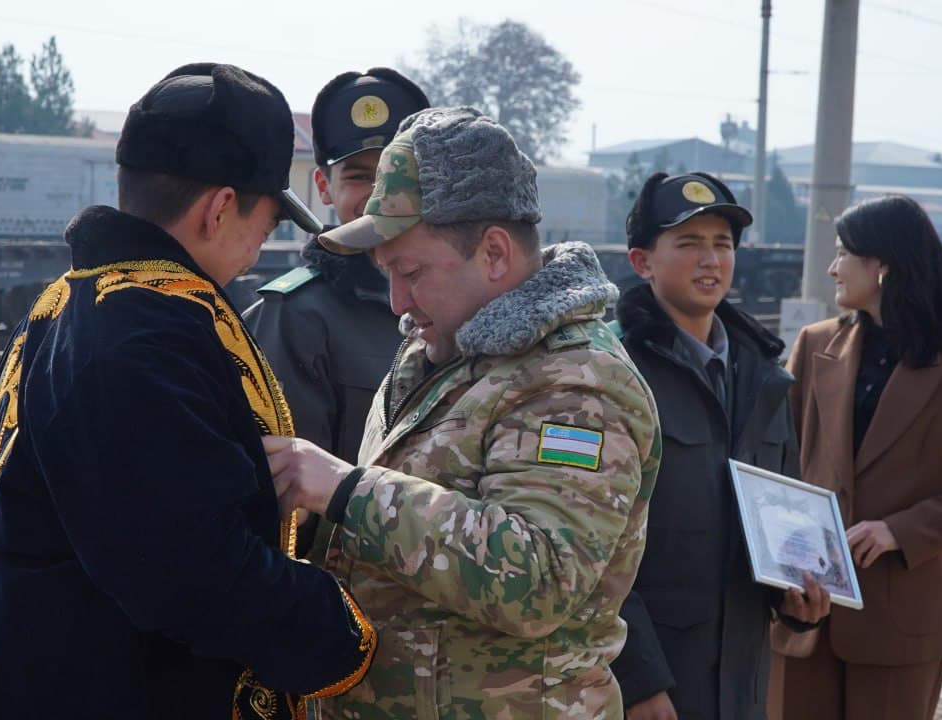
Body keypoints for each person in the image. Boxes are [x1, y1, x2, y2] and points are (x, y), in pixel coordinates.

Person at [0, 63, 376, 720]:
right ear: (219, 209)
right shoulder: (142, 333)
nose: (257, 252)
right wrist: (346, 638)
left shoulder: (66, 305)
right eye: (265, 228)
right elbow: (192, 571)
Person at [262, 106, 662, 719]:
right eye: (389, 274)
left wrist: (347, 491)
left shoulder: (578, 382)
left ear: (495, 254)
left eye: (412, 272)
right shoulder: (442, 349)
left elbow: (540, 578)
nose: (397, 300)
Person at [770, 194, 942, 720]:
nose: (832, 267)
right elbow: (779, 460)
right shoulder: (814, 344)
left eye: (844, 253)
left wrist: (901, 530)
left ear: (883, 265)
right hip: (804, 611)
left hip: (900, 619)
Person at [609, 172, 830, 720]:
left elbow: (784, 517)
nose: (711, 260)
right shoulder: (609, 373)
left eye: (722, 244)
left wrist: (799, 599)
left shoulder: (764, 378)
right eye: (688, 244)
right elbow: (593, 550)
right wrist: (638, 681)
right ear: (643, 262)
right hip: (652, 684)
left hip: (742, 680)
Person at [244, 68, 429, 467]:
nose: (382, 195)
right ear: (324, 187)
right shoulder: (295, 317)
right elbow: (289, 489)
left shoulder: (464, 303)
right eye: (360, 177)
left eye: (397, 175)